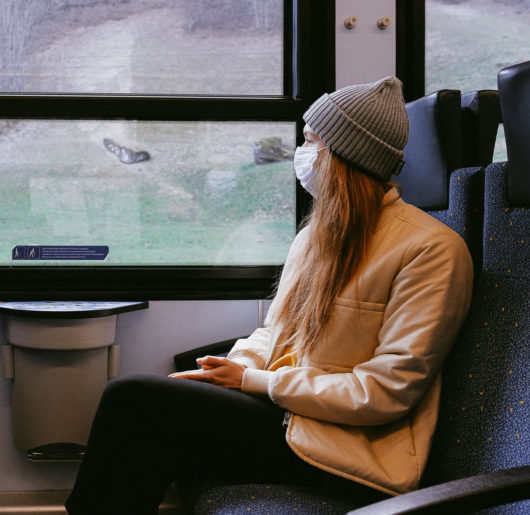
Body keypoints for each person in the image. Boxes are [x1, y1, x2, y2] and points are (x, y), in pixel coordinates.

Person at [65, 77, 474, 514]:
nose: (302, 156)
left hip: (347, 447)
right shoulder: (318, 235)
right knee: (151, 429)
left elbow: (384, 391)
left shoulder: (431, 250)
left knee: (134, 399)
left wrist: (253, 383)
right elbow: (275, 332)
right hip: (293, 417)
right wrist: (240, 364)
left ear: (343, 155)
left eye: (310, 141)